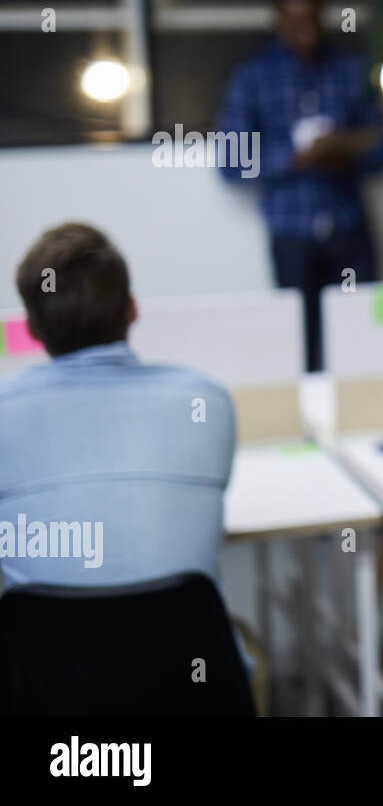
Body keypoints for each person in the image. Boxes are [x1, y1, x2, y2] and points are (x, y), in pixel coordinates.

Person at [0, 223, 268, 711]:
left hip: (52, 705)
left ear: (33, 329)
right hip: (194, 698)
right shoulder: (204, 401)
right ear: (132, 309)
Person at [218, 0, 383, 373]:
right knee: (301, 346)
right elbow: (231, 164)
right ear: (278, 22)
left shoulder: (350, 69)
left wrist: (343, 150)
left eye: (312, 20)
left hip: (349, 228)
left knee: (366, 338)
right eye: (295, 22)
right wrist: (296, 158)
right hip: (292, 234)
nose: (305, 31)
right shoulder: (253, 78)